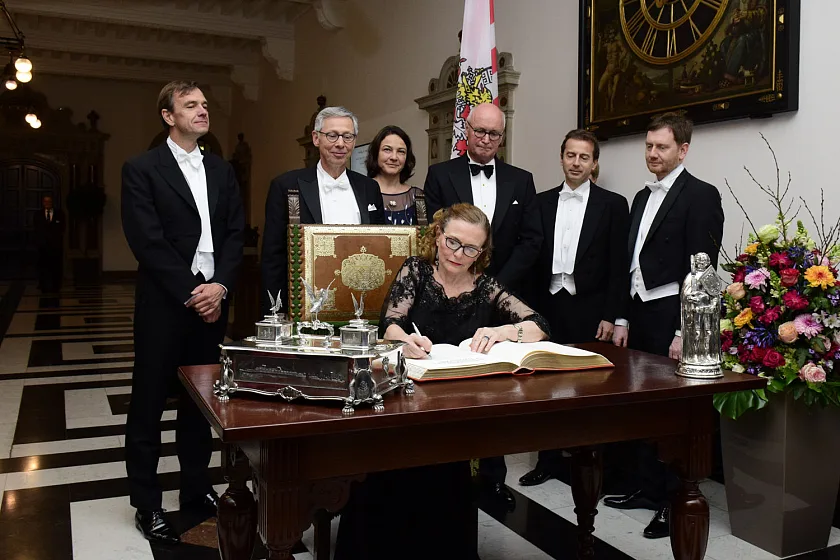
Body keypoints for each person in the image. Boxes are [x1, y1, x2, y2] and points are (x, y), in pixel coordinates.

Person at [334, 203, 549, 560]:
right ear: (437, 236)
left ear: (481, 253)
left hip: (455, 408)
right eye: (452, 242)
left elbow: (539, 324)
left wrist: (504, 330)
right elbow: (388, 323)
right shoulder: (416, 271)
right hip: (406, 400)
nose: (458, 254)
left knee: (447, 472)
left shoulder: (486, 287)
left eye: (470, 249)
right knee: (390, 473)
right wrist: (405, 339)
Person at [121, 80, 245, 543]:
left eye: (205, 104)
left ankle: (195, 489)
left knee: (201, 404)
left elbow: (235, 232)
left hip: (214, 301)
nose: (202, 110)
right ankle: (146, 502)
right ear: (168, 116)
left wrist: (221, 286)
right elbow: (146, 239)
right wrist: (194, 291)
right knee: (149, 402)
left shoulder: (222, 169)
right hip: (166, 304)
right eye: (190, 105)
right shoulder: (141, 169)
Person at [607, 112, 724, 539]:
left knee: (674, 412)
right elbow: (629, 262)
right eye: (649, 146)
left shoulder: (702, 195)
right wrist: (621, 316)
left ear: (683, 150)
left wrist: (684, 332)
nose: (653, 154)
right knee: (642, 406)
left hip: (672, 317)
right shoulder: (640, 197)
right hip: (638, 313)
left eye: (662, 147)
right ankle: (646, 487)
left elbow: (703, 271)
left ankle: (673, 501)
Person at [424, 103, 542, 507]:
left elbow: (532, 239)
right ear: (466, 130)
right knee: (449, 382)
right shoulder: (441, 175)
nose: (487, 140)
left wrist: (493, 286)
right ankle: (441, 472)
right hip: (450, 296)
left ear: (502, 137)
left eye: (495, 134)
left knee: (495, 394)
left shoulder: (521, 180)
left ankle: (493, 478)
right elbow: (434, 235)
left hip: (498, 297)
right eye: (481, 132)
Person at [518, 129, 629, 487]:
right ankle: (546, 460)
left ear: (595, 163)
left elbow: (618, 265)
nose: (576, 162)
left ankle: (590, 463)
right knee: (543, 385)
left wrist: (611, 315)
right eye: (570, 155)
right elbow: (531, 259)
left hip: (590, 308)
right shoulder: (540, 202)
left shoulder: (613, 204)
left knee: (590, 386)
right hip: (548, 304)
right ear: (561, 157)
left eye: (584, 157)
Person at [261, 106, 386, 314]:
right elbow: (272, 256)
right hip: (304, 303)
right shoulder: (286, 185)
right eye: (332, 135)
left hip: (359, 304)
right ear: (316, 138)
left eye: (347, 137)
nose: (340, 144)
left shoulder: (369, 188)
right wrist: (276, 309)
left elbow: (379, 246)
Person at [366, 125, 424, 225]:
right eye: (387, 150)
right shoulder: (362, 191)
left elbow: (425, 237)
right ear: (376, 153)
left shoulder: (417, 196)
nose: (394, 157)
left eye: (401, 151)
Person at [34, 195, 65, 292]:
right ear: (43, 203)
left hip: (55, 245)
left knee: (56, 265)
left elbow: (62, 227)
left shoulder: (59, 214)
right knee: (43, 265)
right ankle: (42, 283)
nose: (47, 203)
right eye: (45, 201)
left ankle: (57, 284)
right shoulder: (38, 214)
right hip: (43, 245)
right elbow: (36, 228)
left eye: (49, 201)